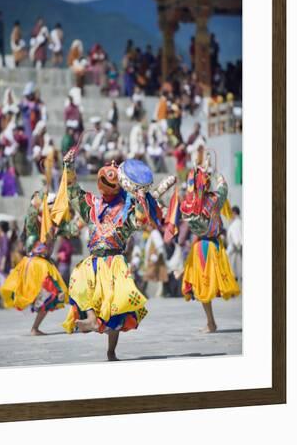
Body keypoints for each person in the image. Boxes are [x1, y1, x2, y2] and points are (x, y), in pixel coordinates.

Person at [60, 152, 162, 361]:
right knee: (79, 282)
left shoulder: (126, 210)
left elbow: (141, 221)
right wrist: (68, 164)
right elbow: (72, 191)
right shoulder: (91, 206)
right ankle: (89, 319)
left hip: (115, 263)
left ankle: (111, 350)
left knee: (116, 307)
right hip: (94, 261)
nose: (107, 180)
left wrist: (141, 197)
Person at [168, 148, 240, 332]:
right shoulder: (215, 199)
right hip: (215, 245)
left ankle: (211, 322)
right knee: (206, 283)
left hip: (201, 247)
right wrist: (216, 173)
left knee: (202, 284)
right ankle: (210, 322)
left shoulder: (188, 204)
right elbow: (224, 187)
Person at [0, 191, 71, 335]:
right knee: (53, 293)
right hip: (37, 264)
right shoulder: (35, 220)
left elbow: (68, 228)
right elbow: (32, 214)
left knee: (55, 294)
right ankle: (35, 324)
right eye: (51, 206)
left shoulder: (53, 224)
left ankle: (36, 325)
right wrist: (41, 198)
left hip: (42, 263)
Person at [227, 206, 243, 283]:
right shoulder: (239, 222)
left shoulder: (236, 224)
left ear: (234, 213)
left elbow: (237, 240)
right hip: (236, 250)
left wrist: (227, 253)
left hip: (234, 250)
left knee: (234, 269)